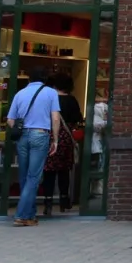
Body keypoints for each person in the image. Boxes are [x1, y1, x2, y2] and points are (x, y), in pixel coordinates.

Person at [7, 74, 61, 227]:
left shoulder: (20, 93)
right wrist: (55, 139)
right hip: (40, 134)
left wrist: (21, 129)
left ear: (29, 79)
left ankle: (29, 215)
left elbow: (11, 119)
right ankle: (22, 215)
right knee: (34, 177)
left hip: (22, 136)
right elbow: (55, 118)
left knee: (24, 176)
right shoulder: (51, 93)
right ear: (44, 80)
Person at [42, 73, 83, 215]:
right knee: (64, 170)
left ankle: (47, 202)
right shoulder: (71, 100)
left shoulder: (49, 99)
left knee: (49, 171)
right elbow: (78, 118)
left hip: (51, 136)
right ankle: (64, 202)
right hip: (66, 137)